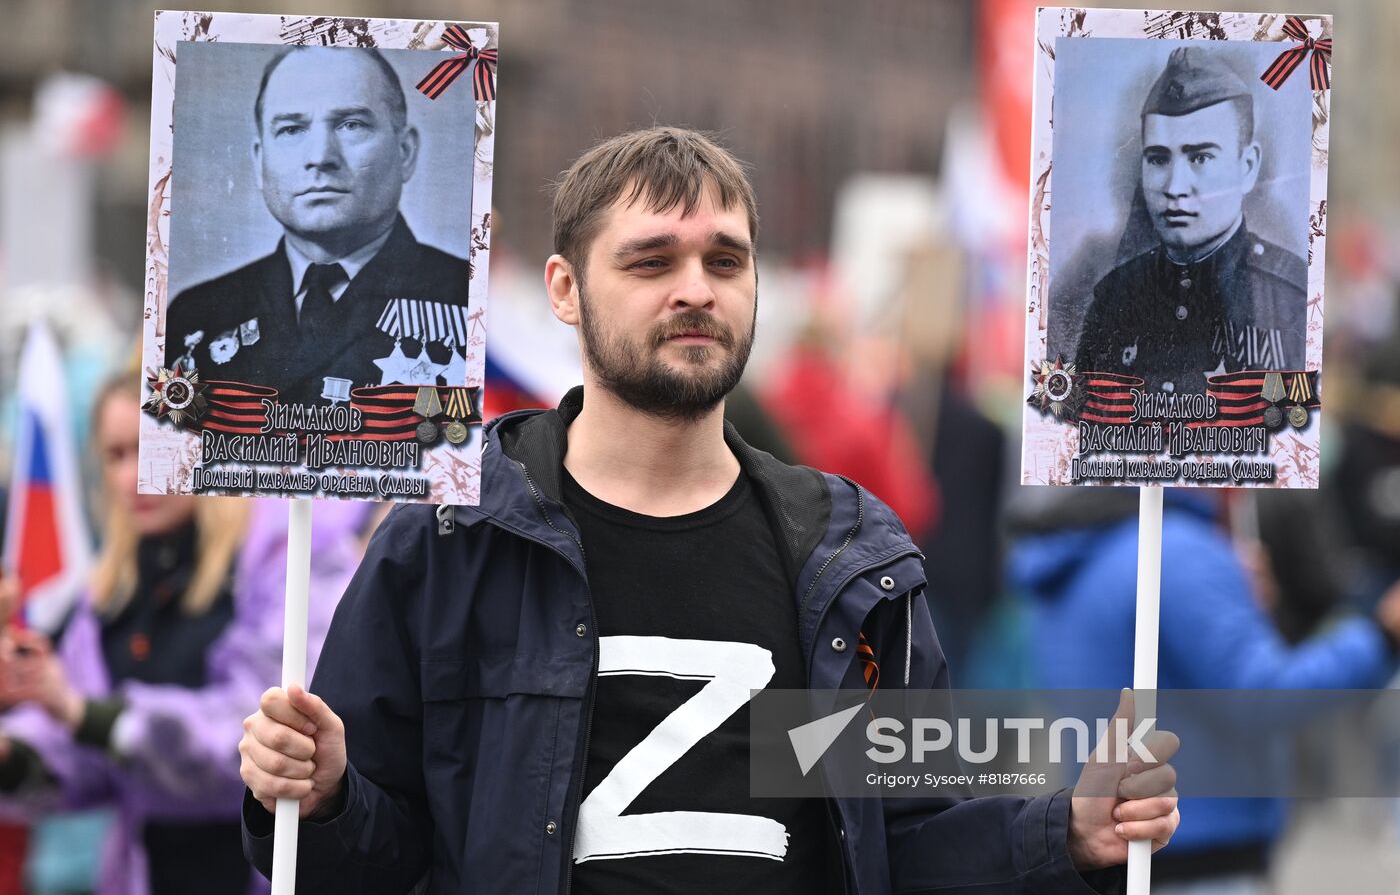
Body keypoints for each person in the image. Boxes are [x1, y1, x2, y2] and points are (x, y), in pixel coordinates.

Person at [238, 127, 1179, 894]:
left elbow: (903, 848)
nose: (697, 288)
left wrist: (1066, 833)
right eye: (652, 262)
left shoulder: (847, 560)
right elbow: (375, 858)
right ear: (564, 289)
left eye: (725, 259)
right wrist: (319, 799)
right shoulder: (451, 538)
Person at [0, 368, 369, 895]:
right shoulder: (111, 589)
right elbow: (87, 756)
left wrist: (86, 714)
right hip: (147, 872)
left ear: (202, 445)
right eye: (115, 455)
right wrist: (16, 753)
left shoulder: (290, 559)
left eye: (150, 447)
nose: (133, 476)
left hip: (269, 869)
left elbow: (264, 737)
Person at [1006, 486, 1400, 894]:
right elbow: (1264, 696)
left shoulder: (1084, 549)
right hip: (1195, 844)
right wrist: (1382, 635)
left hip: (1124, 841)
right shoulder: (1180, 553)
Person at [165, 46, 473, 407]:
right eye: (292, 129)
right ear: (260, 159)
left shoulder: (467, 303)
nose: (320, 157)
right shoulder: (196, 315)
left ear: (405, 152)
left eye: (352, 124)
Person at [1073, 46, 1307, 395]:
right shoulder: (1113, 299)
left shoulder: (1293, 297)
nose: (1175, 187)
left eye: (1200, 157)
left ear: (1247, 167)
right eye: (1157, 159)